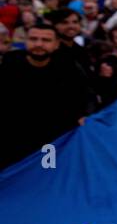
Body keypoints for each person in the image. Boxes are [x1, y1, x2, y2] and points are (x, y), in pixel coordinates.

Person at [0, 21, 96, 168]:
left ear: (56, 44)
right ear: (26, 41)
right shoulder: (9, 63)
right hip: (13, 137)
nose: (39, 44)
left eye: (46, 40)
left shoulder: (68, 66)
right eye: (33, 39)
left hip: (53, 140)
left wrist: (85, 114)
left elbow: (86, 94)